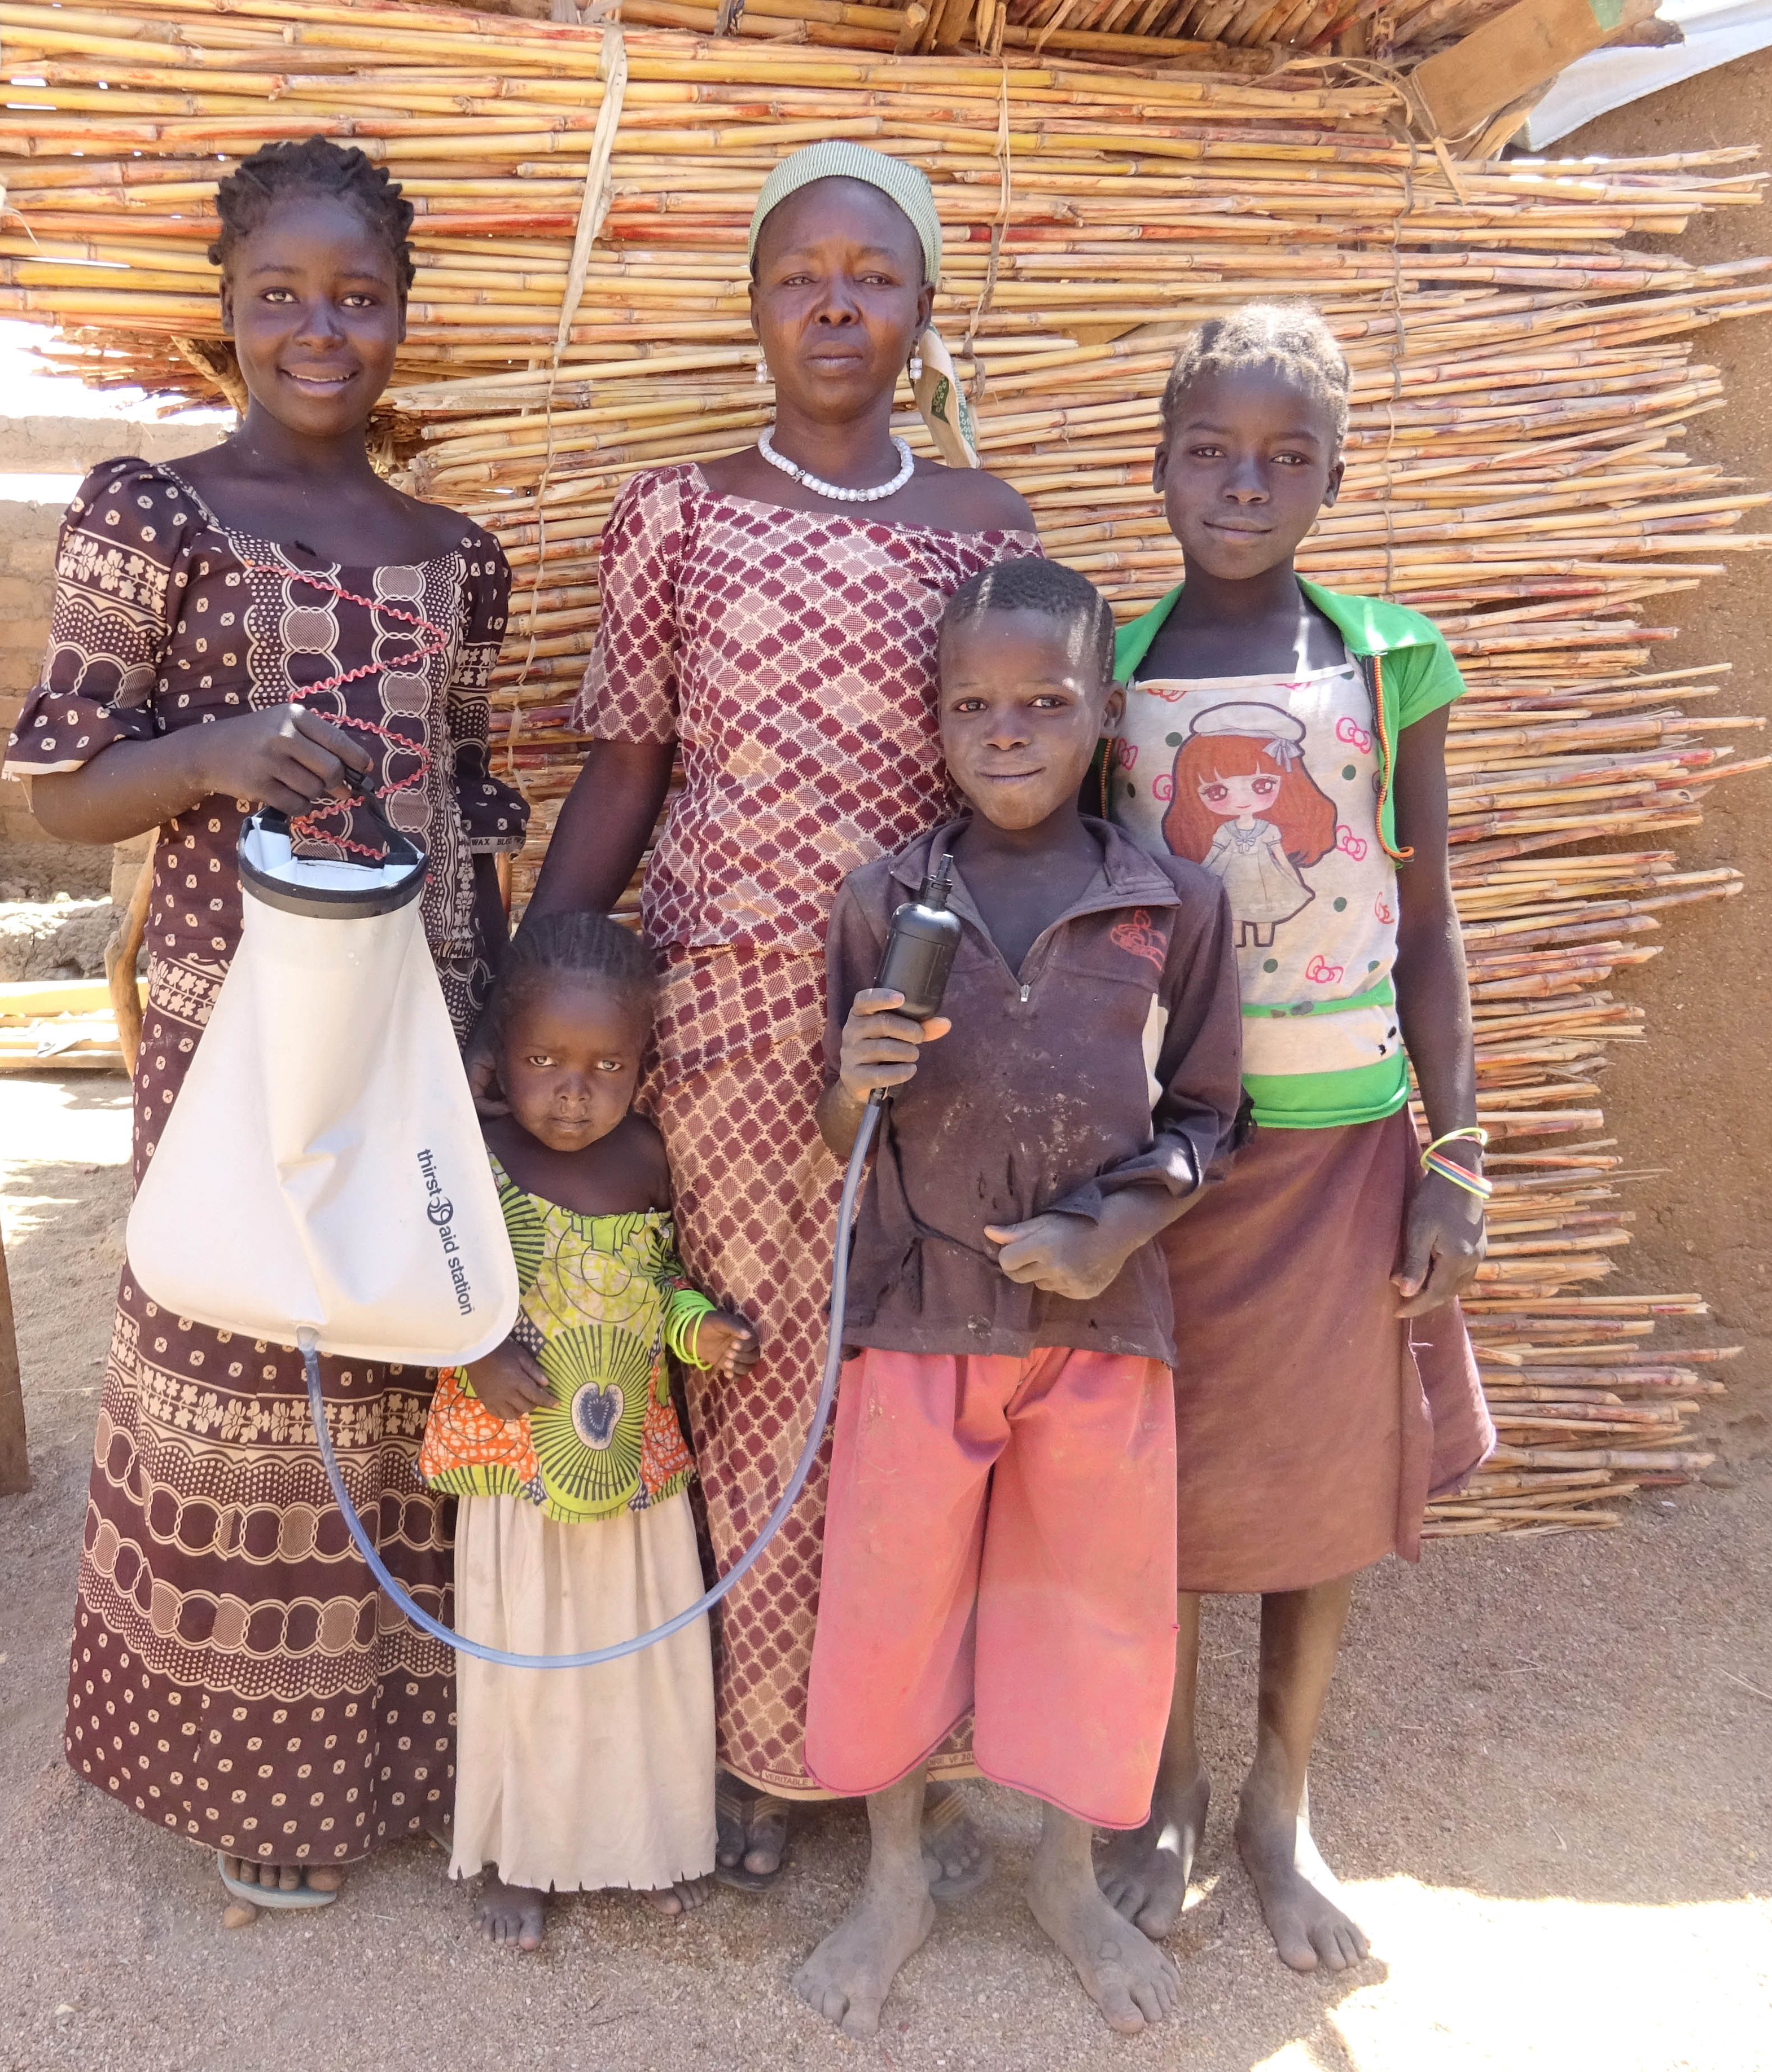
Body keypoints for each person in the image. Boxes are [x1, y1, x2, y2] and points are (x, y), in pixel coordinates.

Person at [5, 137, 528, 1912]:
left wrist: (498, 1011)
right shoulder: (150, 514)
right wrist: (217, 758)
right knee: (246, 1338)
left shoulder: (460, 555)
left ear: (403, 317)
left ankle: (445, 1755)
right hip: (229, 1018)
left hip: (431, 1001)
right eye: (281, 298)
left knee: (419, 1328)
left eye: (360, 297)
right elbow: (57, 791)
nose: (323, 330)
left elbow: (465, 792)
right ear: (224, 315)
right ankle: (263, 1785)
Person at [526, 139, 1039, 1892]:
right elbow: (628, 764)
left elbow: (1021, 774)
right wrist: (533, 961)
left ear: (920, 309)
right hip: (731, 1012)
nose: (835, 302)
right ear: (753, 306)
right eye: (799, 273)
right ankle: (762, 1760)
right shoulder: (675, 513)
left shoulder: (984, 526)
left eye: (873, 275)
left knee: (916, 1374)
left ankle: (913, 1738)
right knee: (751, 1379)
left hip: (922, 1014)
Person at [1087, 303, 1495, 1973]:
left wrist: (1455, 1155)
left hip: (1343, 1156)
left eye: (1284, 458)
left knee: (1322, 1492)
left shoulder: (1388, 661)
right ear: (1159, 464)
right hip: (1174, 1152)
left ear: (1335, 476)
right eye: (1209, 451)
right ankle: (1169, 1788)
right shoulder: (1106, 671)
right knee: (1165, 1486)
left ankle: (1284, 1803)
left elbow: (1431, 920)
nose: (1242, 485)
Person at [791, 557, 1242, 2036]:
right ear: (933, 718)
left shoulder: (1169, 904)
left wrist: (1119, 1225)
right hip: (919, 1321)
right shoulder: (885, 899)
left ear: (1104, 713)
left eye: (1045, 703)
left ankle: (1062, 1874)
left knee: (1090, 1616)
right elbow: (837, 1139)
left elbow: (1211, 1118)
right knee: (888, 1607)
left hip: (1101, 1328)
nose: (1008, 732)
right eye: (974, 705)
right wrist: (851, 1084)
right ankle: (900, 1878)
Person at [419, 912, 762, 1948]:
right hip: (518, 1467)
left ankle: (645, 1841)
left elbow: (657, 1290)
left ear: (644, 1064)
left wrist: (706, 1335)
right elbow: (426, 1277)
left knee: (639, 1665)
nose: (575, 1091)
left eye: (607, 1065)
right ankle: (528, 1855)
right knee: (525, 1667)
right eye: (545, 1061)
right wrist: (473, 1350)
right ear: (500, 1060)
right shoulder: (475, 1160)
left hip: (633, 1470)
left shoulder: (650, 1163)